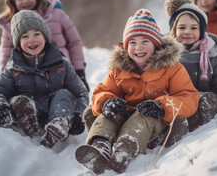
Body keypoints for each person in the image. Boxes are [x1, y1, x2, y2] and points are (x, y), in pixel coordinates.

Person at [75, 9, 198, 174]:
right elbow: (102, 91)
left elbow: (188, 96)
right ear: (126, 46)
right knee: (107, 115)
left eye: (144, 41)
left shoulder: (172, 68)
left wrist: (163, 106)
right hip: (127, 114)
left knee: (142, 119)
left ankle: (124, 150)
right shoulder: (119, 70)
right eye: (132, 42)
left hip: (155, 118)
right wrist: (107, 101)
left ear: (156, 44)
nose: (138, 47)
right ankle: (100, 146)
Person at [0, 10, 89, 148]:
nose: (31, 40)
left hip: (55, 108)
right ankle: (27, 120)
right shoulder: (14, 68)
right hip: (29, 106)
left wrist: (78, 115)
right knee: (17, 100)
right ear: (18, 42)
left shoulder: (62, 64)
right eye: (25, 36)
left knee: (65, 94)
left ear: (45, 37)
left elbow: (81, 93)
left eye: (37, 34)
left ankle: (58, 125)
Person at [0, 0, 89, 90]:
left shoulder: (56, 14)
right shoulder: (11, 23)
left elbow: (74, 42)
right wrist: (5, 78)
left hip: (61, 73)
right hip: (29, 80)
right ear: (12, 1)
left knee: (64, 100)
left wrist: (79, 71)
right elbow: (7, 52)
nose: (25, 1)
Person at [164, 0, 217, 132]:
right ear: (173, 30)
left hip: (206, 105)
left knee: (208, 100)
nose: (187, 32)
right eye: (182, 27)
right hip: (178, 105)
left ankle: (209, 121)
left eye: (193, 28)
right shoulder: (166, 54)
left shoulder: (212, 53)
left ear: (202, 30)